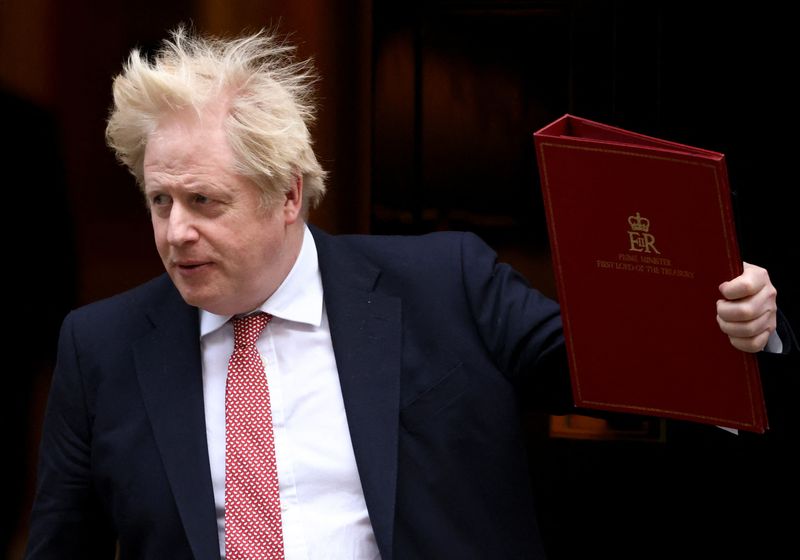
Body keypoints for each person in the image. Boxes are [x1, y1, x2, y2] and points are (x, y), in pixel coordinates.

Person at [25, 28, 788, 560]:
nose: (176, 231)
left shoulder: (445, 285)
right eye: (161, 202)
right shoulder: (101, 348)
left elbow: (620, 372)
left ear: (288, 196)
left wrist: (733, 322)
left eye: (205, 202)